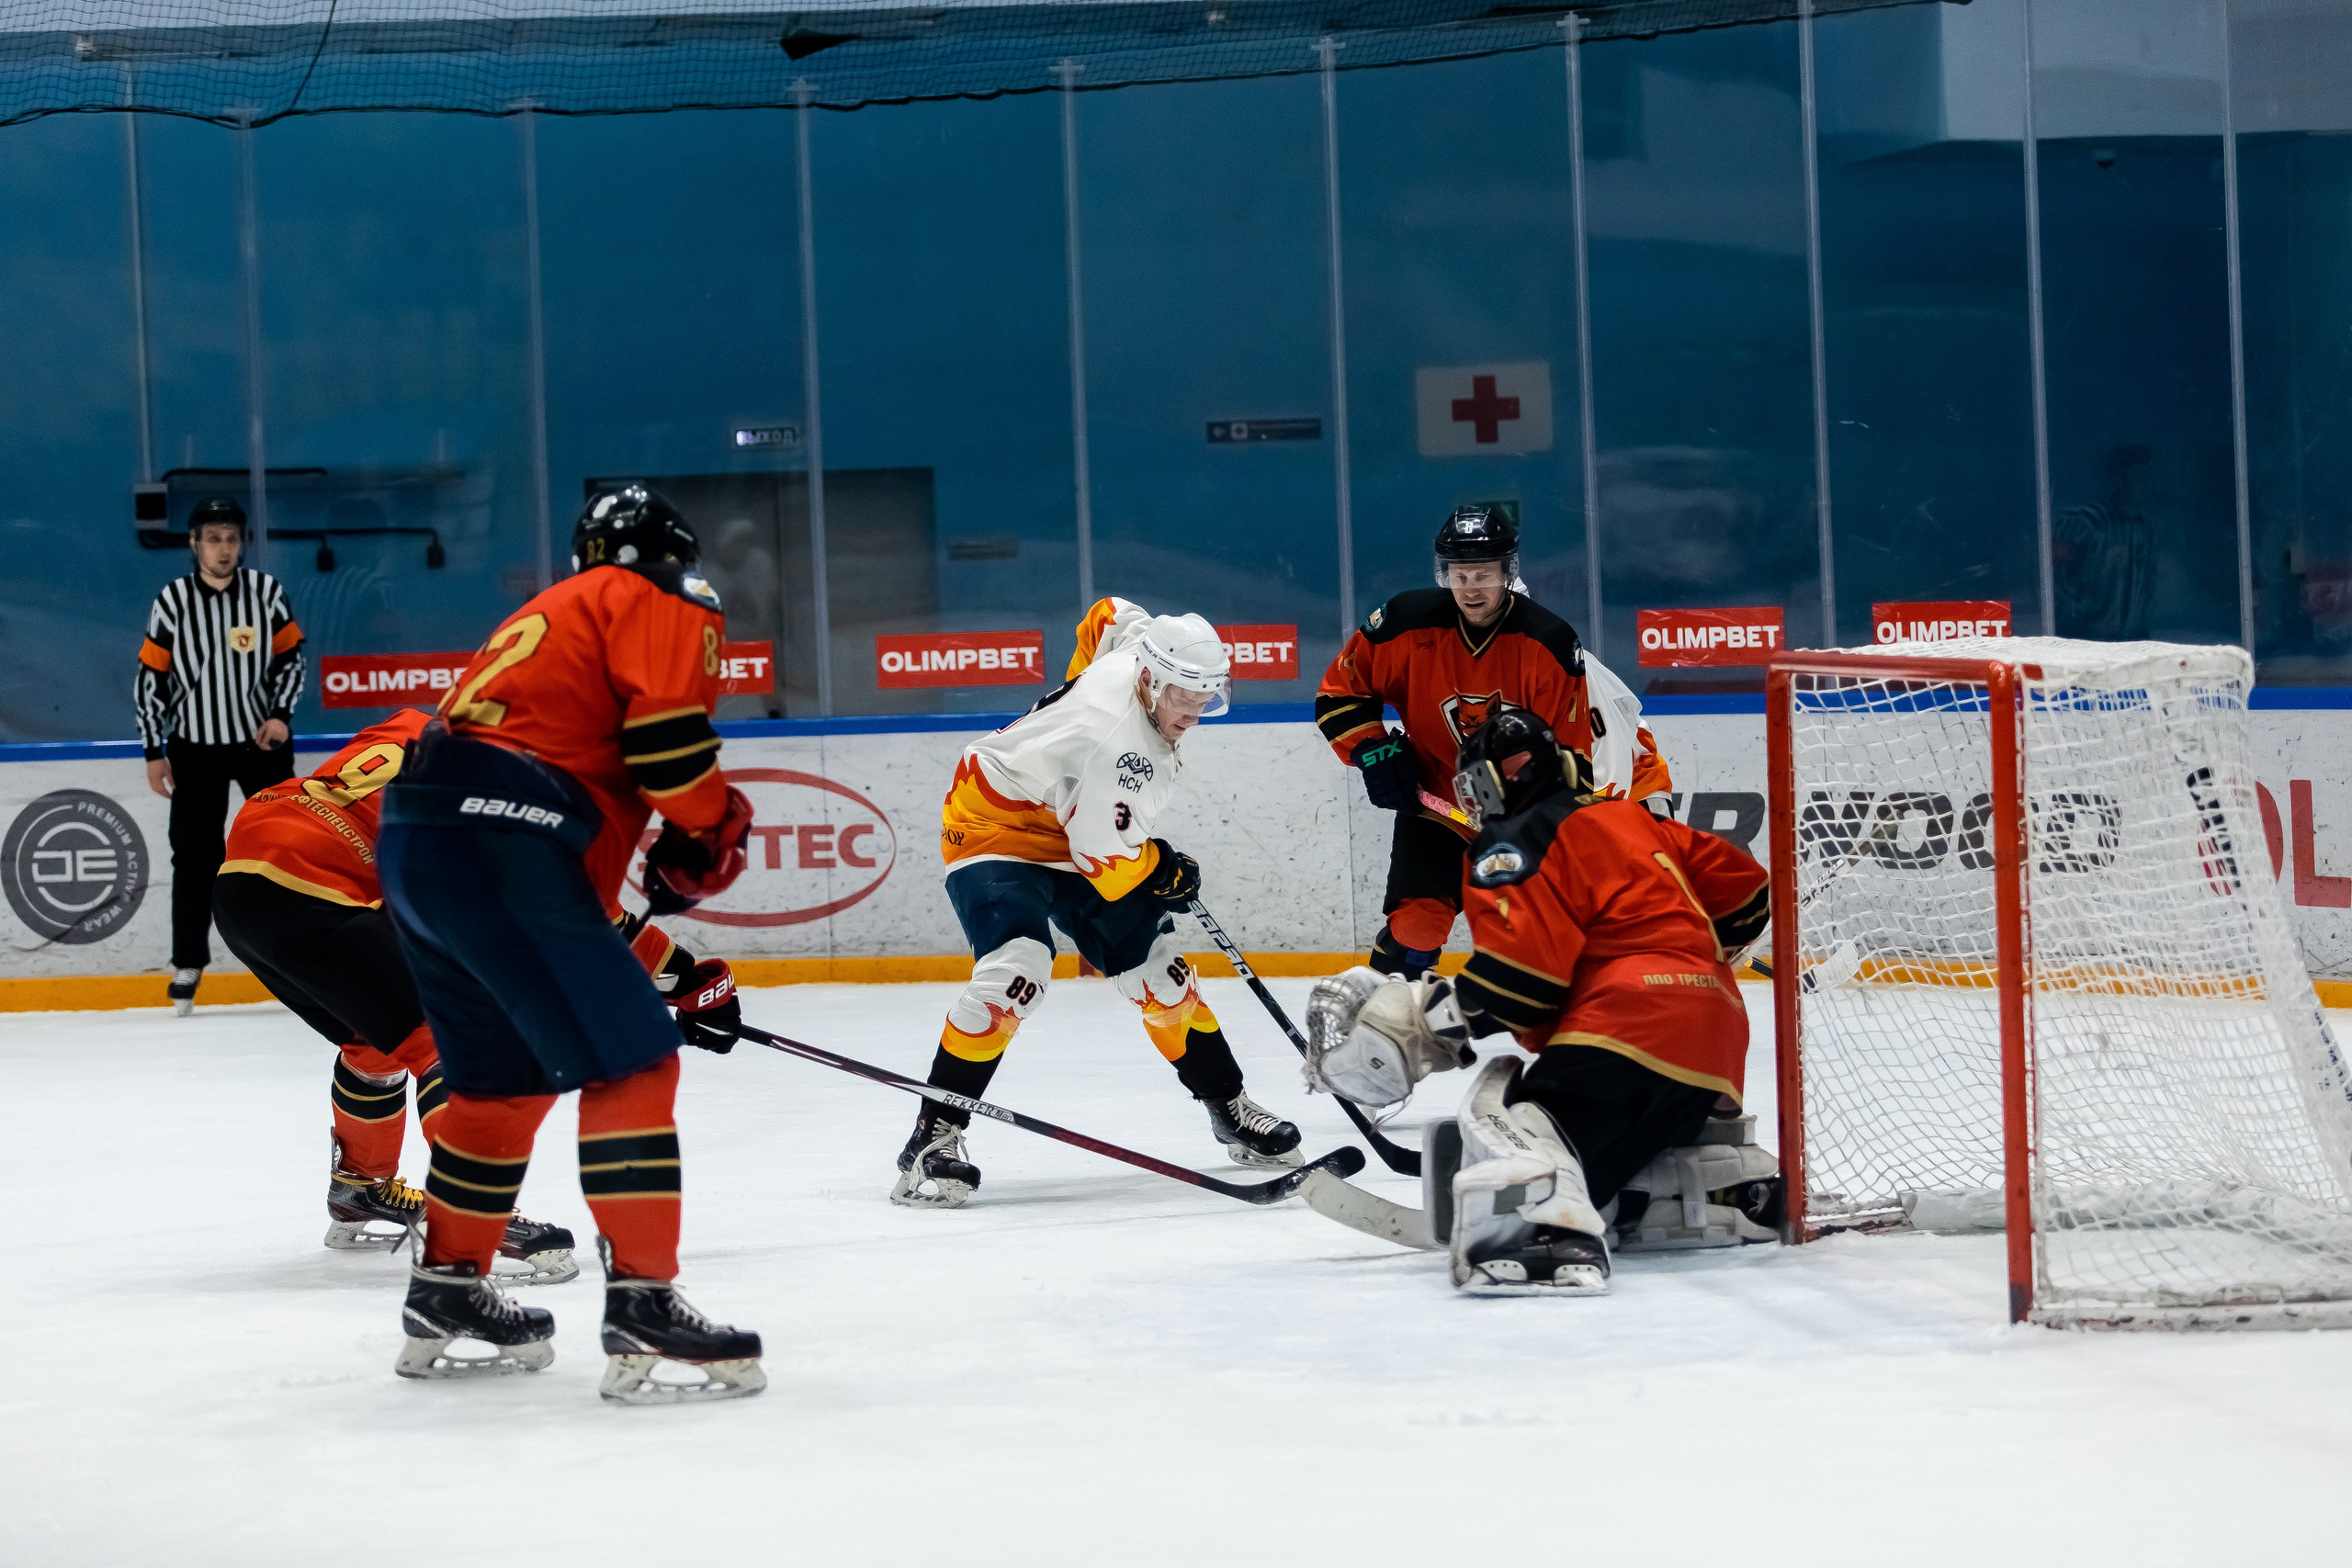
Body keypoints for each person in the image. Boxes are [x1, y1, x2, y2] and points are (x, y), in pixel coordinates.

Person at [375, 484, 762, 1404]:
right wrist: (712, 825)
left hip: (418, 836)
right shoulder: (666, 597)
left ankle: (448, 1290)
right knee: (633, 1064)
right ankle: (642, 1300)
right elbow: (668, 748)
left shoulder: (549, 611)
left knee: (498, 1088)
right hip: (507, 829)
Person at [211, 705, 743, 1280]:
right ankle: (481, 1215)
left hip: (246, 880)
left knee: (376, 1039)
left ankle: (360, 1187)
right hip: (320, 889)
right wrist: (689, 980)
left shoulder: (423, 723)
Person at [1301, 707, 1776, 1296]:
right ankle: (1721, 1189)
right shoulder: (1631, 816)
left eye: (1476, 787)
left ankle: (1544, 1233)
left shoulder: (1516, 837)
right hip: (1717, 1042)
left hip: (1624, 1030)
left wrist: (1437, 1019)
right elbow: (1750, 894)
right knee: (1604, 1152)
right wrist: (1682, 964)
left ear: (1503, 778)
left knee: (1509, 1110)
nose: (1475, 803)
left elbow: (1523, 982)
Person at [893, 596, 1304, 1208]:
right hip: (995, 826)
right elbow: (1104, 863)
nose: (1192, 710)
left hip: (1076, 821)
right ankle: (933, 1136)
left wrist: (1078, 681)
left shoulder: (1143, 649)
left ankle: (1229, 1106)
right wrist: (1160, 865)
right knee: (1016, 971)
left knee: (1164, 978)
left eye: (1204, 694)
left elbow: (1106, 613)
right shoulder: (1119, 750)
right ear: (1149, 679)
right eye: (1181, 696)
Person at [1313, 504, 1670, 981]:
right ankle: (1384, 1035)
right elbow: (1340, 694)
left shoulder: (1549, 644)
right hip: (1438, 805)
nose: (1471, 587)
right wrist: (1374, 751)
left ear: (1508, 573)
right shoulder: (1404, 624)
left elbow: (1573, 760)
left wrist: (1537, 825)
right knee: (1416, 928)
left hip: (1525, 820)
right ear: (1445, 574)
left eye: (1484, 573)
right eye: (1460, 574)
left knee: (1550, 940)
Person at [133, 495, 306, 1015]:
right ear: (194, 545)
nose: (223, 547)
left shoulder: (266, 592)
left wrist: (281, 716)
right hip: (195, 748)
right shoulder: (171, 602)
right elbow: (151, 681)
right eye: (212, 538)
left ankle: (305, 956)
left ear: (242, 542)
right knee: (195, 858)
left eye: (231, 537)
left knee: (288, 849)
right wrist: (152, 750)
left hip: (261, 746)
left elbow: (292, 661)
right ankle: (188, 963)